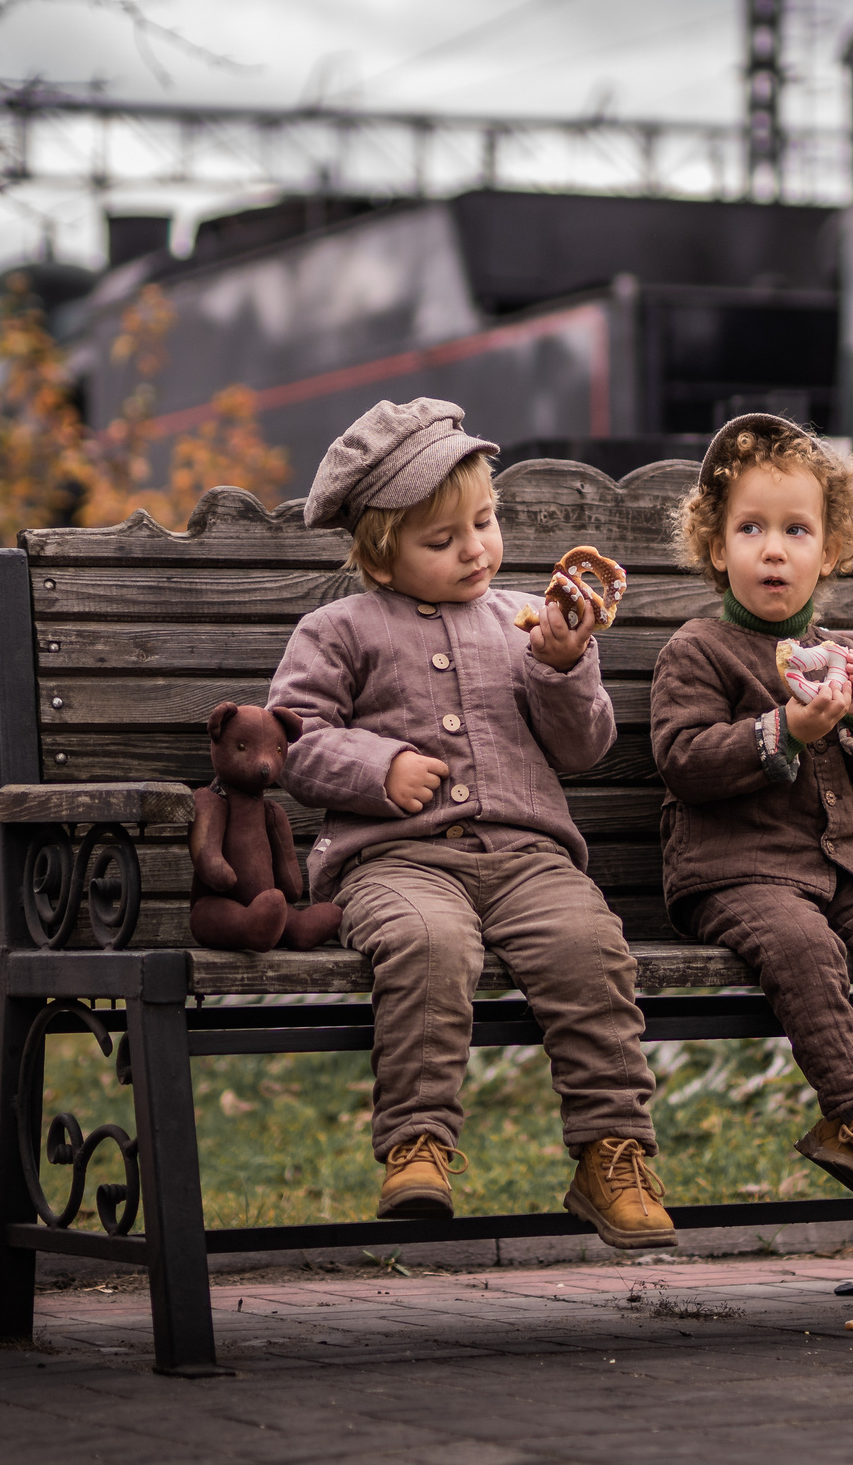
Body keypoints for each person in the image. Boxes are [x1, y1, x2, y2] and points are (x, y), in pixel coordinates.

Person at [269, 397, 673, 1248]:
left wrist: (566, 667)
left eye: (483, 522)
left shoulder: (528, 620)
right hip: (397, 862)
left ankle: (613, 1151)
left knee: (588, 947)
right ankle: (418, 1144)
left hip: (528, 859)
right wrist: (379, 767)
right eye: (442, 538)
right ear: (380, 553)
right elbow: (293, 742)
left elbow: (586, 746)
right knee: (428, 944)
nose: (475, 548)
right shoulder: (336, 628)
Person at [648, 412, 853, 1212]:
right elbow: (682, 757)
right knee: (802, 945)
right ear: (718, 549)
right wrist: (782, 728)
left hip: (845, 864)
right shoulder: (696, 650)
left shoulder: (846, 656)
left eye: (795, 530)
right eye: (750, 528)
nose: (773, 549)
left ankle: (845, 1125)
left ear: (830, 552)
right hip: (736, 871)